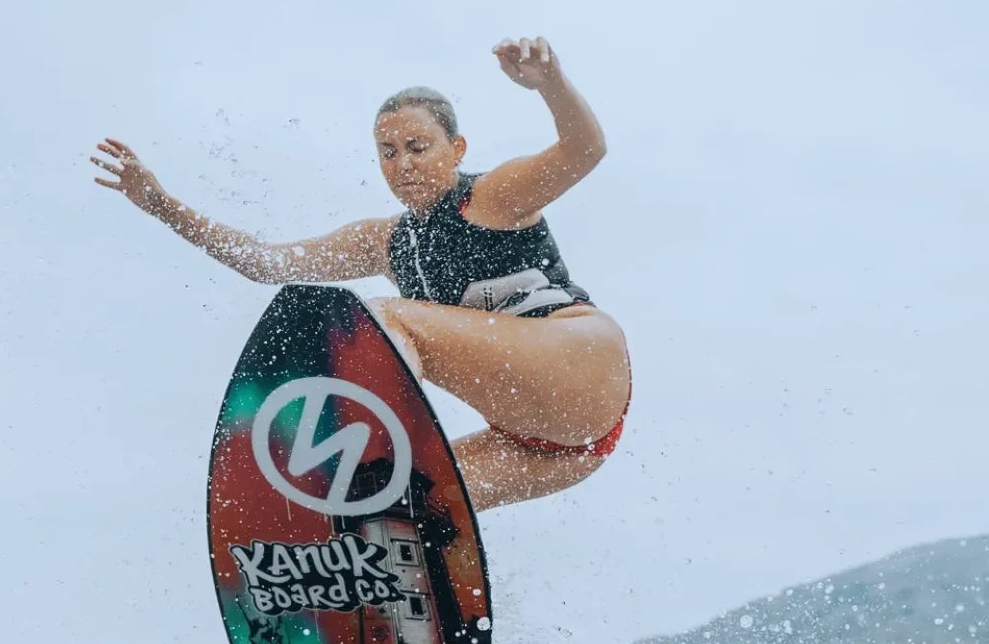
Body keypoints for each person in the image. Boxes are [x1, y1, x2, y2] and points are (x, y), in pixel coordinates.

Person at [91, 37, 631, 510]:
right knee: (398, 511)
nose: (404, 164)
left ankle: (350, 456)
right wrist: (161, 204)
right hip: (550, 446)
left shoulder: (490, 197)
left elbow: (586, 150)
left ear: (457, 148)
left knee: (379, 322)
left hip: (582, 366)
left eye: (419, 147)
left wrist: (551, 82)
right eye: (388, 153)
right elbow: (265, 263)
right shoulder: (387, 242)